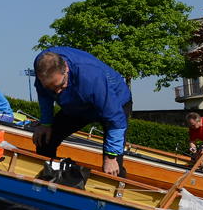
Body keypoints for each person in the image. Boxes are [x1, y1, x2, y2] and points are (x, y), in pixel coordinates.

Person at [32, 47, 132, 177]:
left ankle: (118, 191)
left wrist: (111, 156)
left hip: (115, 103)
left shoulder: (91, 77)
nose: (56, 92)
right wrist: (46, 123)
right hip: (77, 104)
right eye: (50, 88)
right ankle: (45, 181)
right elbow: (44, 95)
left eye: (59, 86)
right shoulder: (41, 65)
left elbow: (116, 120)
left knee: (112, 167)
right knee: (45, 140)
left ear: (66, 69)